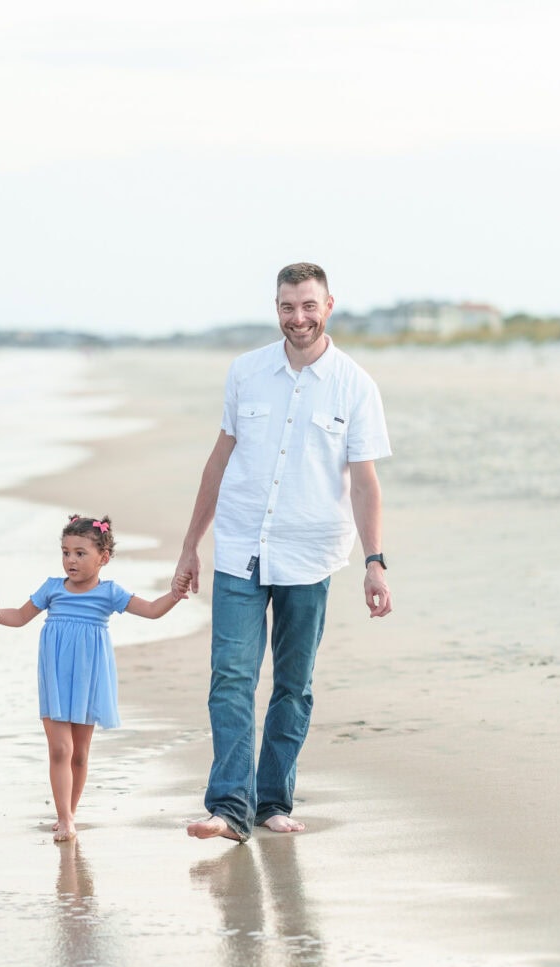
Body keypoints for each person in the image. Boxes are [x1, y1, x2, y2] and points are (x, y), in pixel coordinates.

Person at [173, 262, 393, 843]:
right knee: (231, 677)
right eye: (287, 307)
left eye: (308, 306)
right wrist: (191, 545)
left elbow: (365, 482)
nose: (298, 318)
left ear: (328, 305)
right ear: (276, 308)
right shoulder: (246, 373)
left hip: (311, 554)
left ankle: (272, 800)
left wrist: (375, 562)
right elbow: (219, 460)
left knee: (293, 685)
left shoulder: (355, 385)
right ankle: (228, 807)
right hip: (241, 546)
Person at [0, 515, 186, 842]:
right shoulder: (52, 588)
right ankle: (64, 818)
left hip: (87, 678)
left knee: (79, 753)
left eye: (80, 553)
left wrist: (175, 594)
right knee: (60, 749)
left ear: (103, 558)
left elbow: (151, 610)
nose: (70, 561)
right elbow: (21, 616)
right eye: (66, 552)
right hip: (54, 677)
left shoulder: (109, 593)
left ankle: (71, 812)